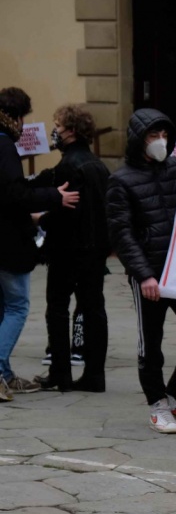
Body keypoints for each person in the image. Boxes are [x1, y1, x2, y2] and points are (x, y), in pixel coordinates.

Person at [107, 108, 176, 434]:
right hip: (150, 276)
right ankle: (156, 406)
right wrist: (144, 275)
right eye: (154, 136)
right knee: (150, 345)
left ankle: (174, 396)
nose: (161, 141)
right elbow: (122, 234)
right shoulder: (121, 181)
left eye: (165, 135)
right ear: (140, 140)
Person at [0, 87, 80, 400]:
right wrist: (53, 196)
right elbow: (14, 195)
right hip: (7, 244)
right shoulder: (5, 145)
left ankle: (5, 374)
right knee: (18, 306)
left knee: (3, 306)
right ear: (17, 117)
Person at [33, 104, 110, 392]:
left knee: (57, 308)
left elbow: (66, 209)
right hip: (95, 249)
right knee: (94, 309)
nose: (55, 131)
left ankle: (60, 373)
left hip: (68, 248)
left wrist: (40, 218)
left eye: (59, 126)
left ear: (72, 131)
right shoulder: (98, 165)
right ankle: (95, 374)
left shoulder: (68, 166)